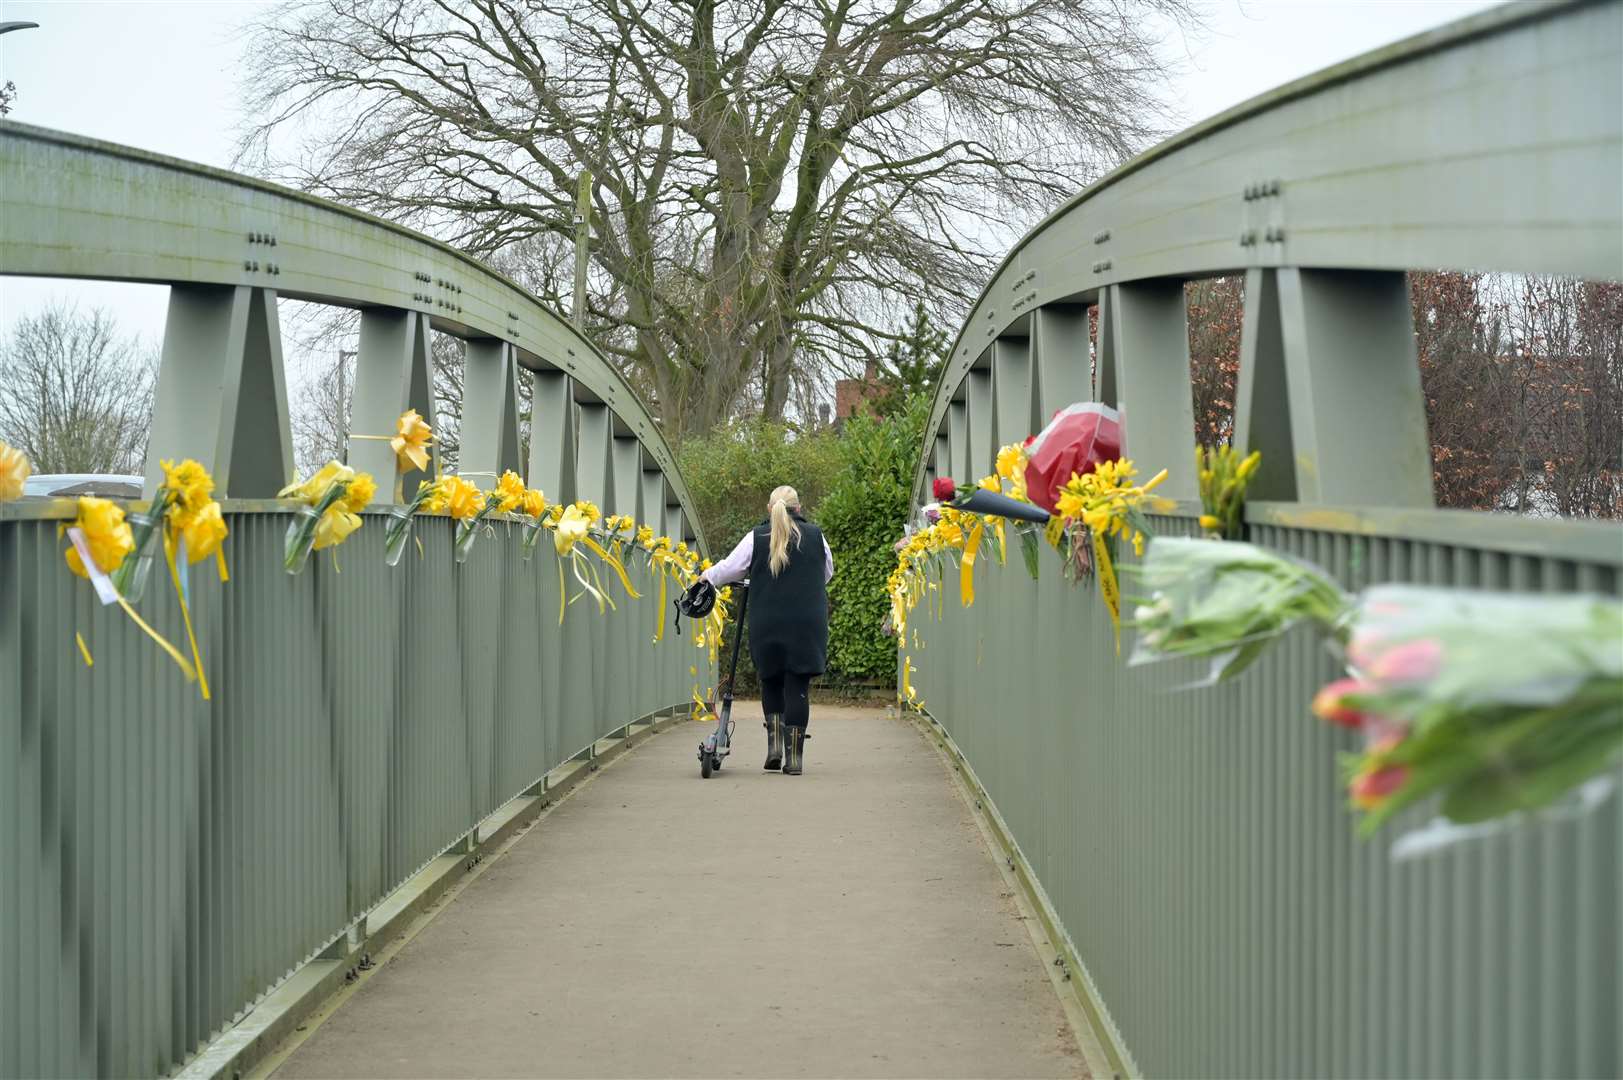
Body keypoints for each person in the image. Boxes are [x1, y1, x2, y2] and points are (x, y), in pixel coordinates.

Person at [702, 485, 833, 775]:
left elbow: (729, 569)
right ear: (799, 508)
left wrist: (705, 577)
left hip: (767, 619)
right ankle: (795, 759)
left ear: (769, 509)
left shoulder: (756, 537)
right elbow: (826, 573)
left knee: (771, 680)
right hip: (806, 621)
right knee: (797, 684)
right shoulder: (816, 536)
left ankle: (774, 747)